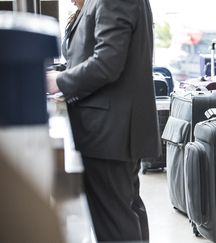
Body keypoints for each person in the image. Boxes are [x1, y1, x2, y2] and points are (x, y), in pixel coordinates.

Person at [46, 0, 160, 241]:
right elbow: (91, 55)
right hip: (112, 129)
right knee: (126, 211)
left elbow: (107, 63)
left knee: (114, 222)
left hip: (108, 131)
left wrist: (60, 81)